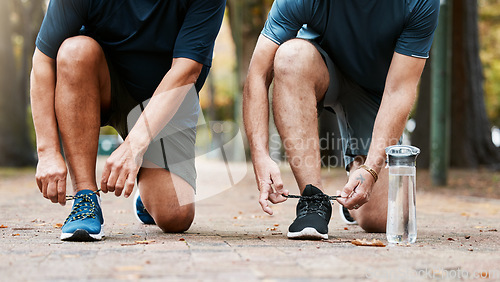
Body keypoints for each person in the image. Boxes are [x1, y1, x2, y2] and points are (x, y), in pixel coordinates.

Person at [243, 0, 439, 240]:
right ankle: (312, 200)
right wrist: (260, 155)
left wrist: (371, 169)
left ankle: (353, 189)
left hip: (377, 92)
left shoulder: (420, 3)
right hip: (318, 68)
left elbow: (399, 90)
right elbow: (258, 72)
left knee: (382, 219)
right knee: (290, 56)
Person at [31, 0, 225, 241]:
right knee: (74, 51)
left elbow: (186, 70)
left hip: (165, 97)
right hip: (104, 85)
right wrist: (47, 151)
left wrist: (134, 145)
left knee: (176, 216)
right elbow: (42, 61)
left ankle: (147, 194)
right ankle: (85, 197)